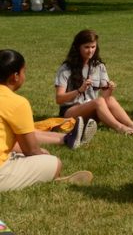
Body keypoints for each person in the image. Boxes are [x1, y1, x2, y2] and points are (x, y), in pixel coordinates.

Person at [1, 49, 93, 192]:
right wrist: (41, 155)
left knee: (31, 155)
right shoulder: (17, 103)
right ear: (15, 76)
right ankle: (55, 178)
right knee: (53, 163)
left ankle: (64, 144)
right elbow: (30, 150)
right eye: (24, 71)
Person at [55, 29, 133, 134]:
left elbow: (105, 97)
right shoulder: (66, 68)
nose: (90, 51)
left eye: (93, 47)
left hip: (93, 109)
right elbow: (59, 99)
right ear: (77, 47)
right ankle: (120, 128)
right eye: (86, 47)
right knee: (98, 101)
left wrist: (109, 89)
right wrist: (79, 90)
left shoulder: (99, 66)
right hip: (70, 112)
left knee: (110, 99)